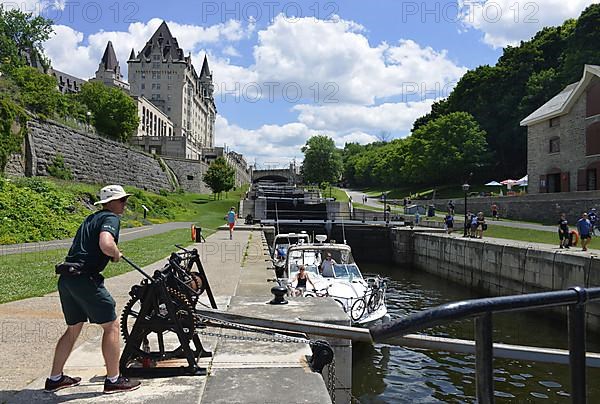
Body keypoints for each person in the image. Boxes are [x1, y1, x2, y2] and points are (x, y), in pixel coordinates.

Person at [46, 185, 141, 394]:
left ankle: (55, 378)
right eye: (122, 201)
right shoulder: (111, 218)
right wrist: (115, 254)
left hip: (67, 278)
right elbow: (106, 244)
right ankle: (114, 380)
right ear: (112, 203)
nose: (125, 204)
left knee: (73, 328)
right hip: (85, 279)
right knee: (112, 326)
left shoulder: (91, 218)